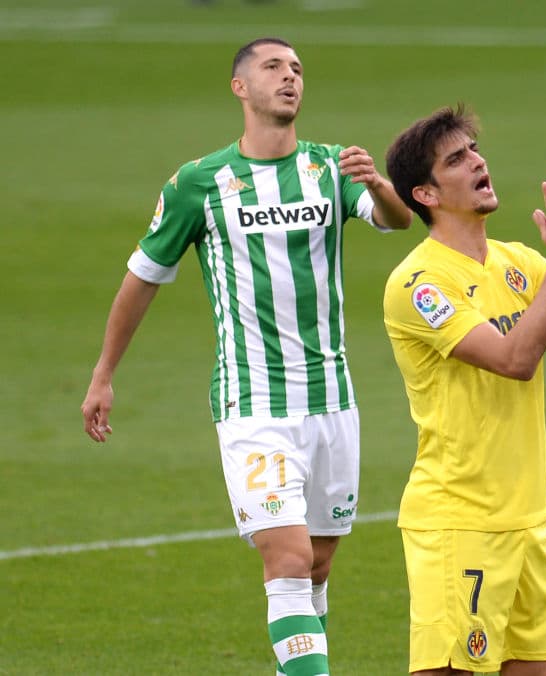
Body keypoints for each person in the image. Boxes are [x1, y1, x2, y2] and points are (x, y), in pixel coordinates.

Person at [80, 37, 412, 675]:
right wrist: (103, 373)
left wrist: (379, 183)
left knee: (317, 566)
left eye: (297, 69)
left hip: (333, 401)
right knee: (285, 562)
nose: (290, 78)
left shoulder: (326, 167)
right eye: (274, 67)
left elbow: (396, 222)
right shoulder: (198, 184)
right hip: (252, 404)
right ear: (240, 87)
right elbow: (143, 275)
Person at [381, 105, 546, 675]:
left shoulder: (520, 263)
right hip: (459, 522)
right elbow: (514, 360)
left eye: (475, 151)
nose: (478, 162)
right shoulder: (419, 284)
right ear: (427, 194)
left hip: (528, 520)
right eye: (456, 159)